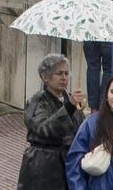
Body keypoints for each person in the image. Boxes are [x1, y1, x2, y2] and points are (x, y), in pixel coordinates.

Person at [22, 53, 88, 190]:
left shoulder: (71, 100)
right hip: (43, 166)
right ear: (45, 77)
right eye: (59, 73)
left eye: (66, 73)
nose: (64, 78)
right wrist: (69, 107)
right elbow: (44, 128)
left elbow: (82, 131)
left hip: (69, 164)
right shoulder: (37, 102)